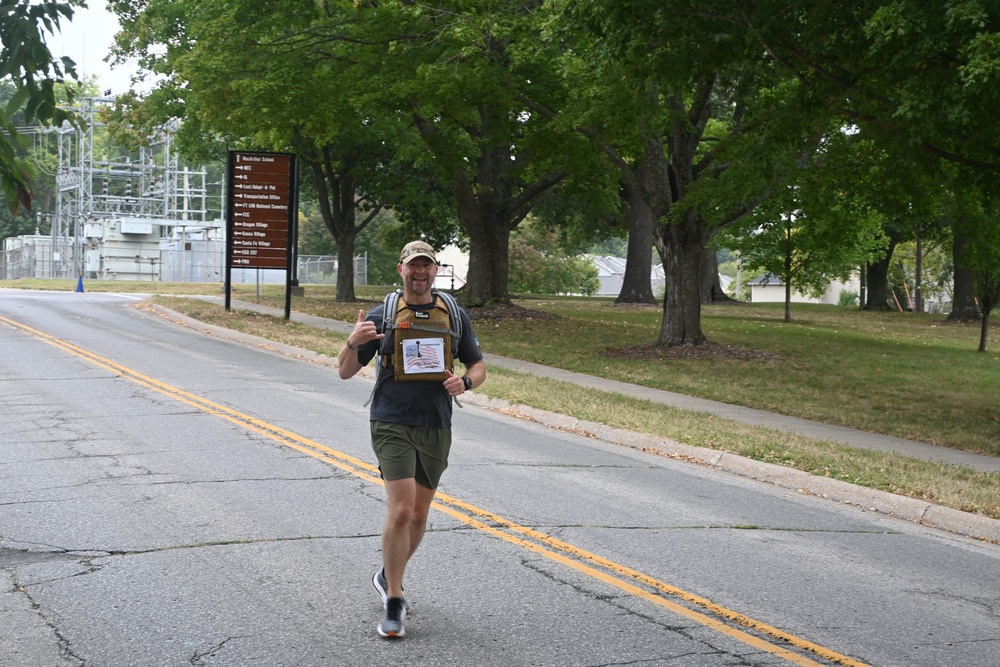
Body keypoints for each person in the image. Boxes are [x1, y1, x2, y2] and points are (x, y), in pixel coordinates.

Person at [337, 240, 486, 639]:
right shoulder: (382, 314)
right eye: (412, 265)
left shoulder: (453, 313)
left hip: (436, 422)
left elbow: (478, 364)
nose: (420, 272)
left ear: (435, 271)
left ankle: (389, 573)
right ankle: (395, 600)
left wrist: (466, 382)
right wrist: (353, 341)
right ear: (400, 269)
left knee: (420, 515)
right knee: (402, 511)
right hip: (391, 420)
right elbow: (345, 372)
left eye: (427, 266)